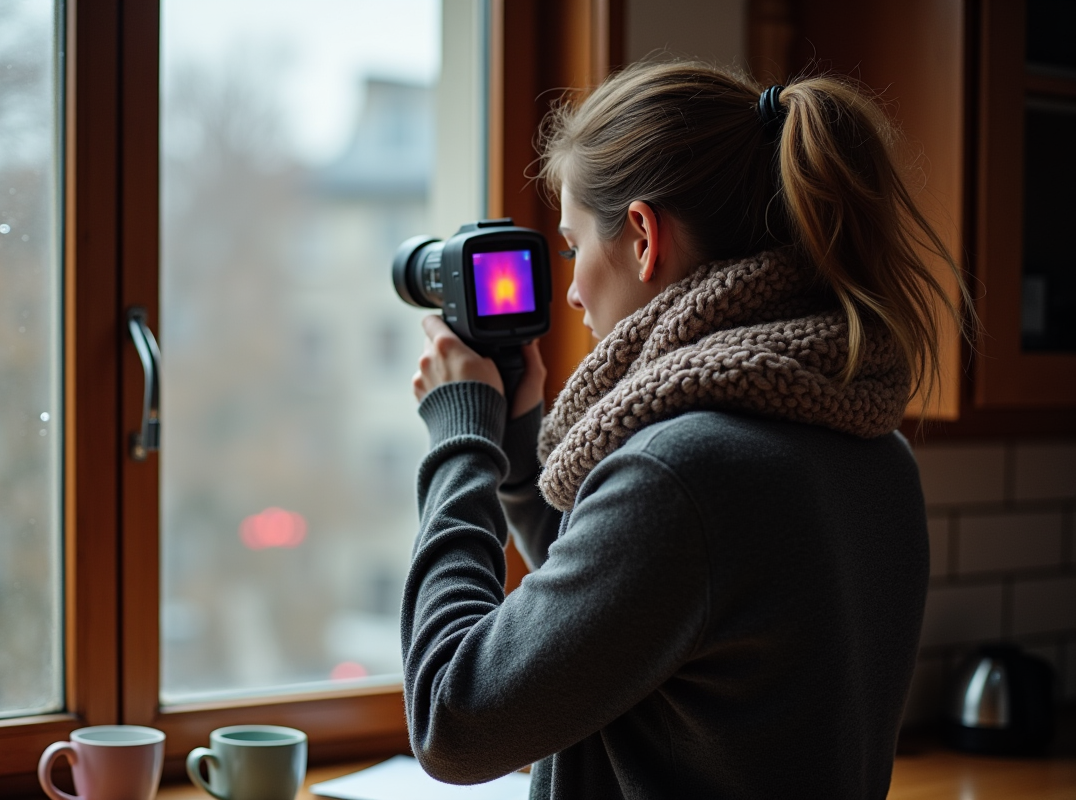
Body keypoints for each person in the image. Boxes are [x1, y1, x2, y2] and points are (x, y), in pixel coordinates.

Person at [401, 61, 968, 799]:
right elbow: (636, 610)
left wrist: (460, 445)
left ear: (641, 236)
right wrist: (515, 456)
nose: (570, 289)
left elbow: (454, 722)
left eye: (574, 247)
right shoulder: (868, 446)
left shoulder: (684, 473)